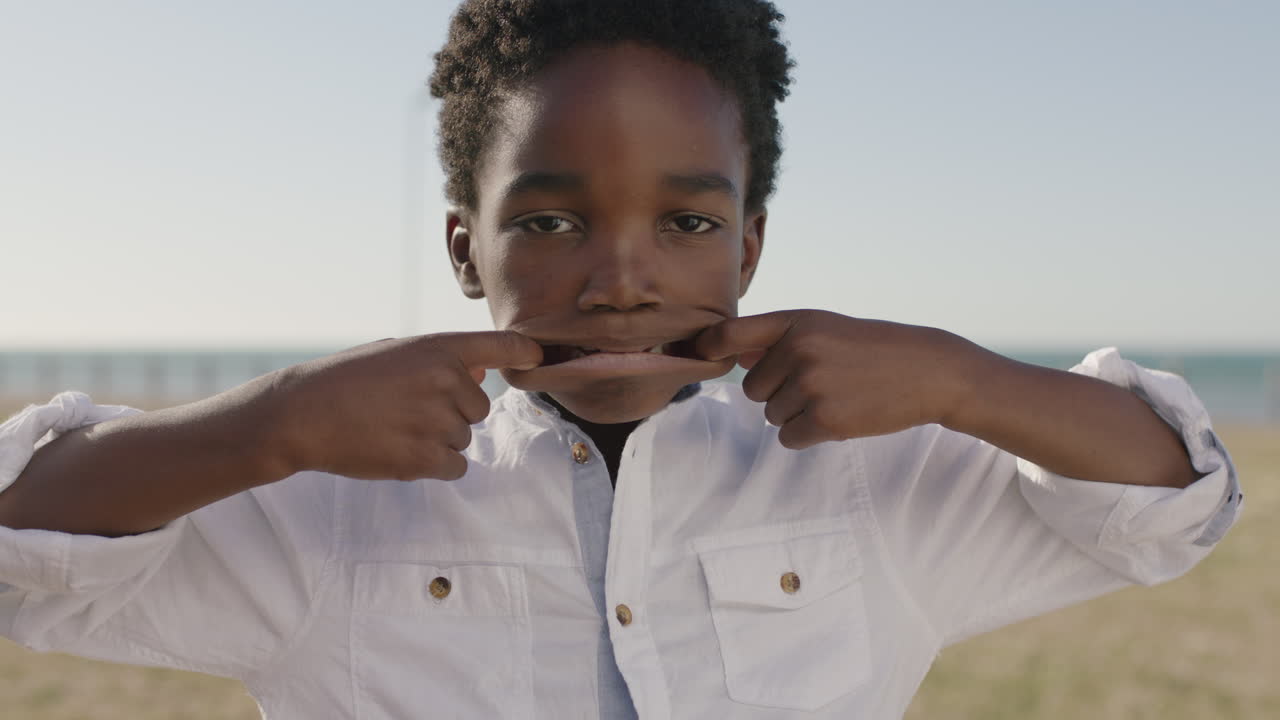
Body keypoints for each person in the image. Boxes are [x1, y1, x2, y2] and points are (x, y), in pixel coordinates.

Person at [0, 1, 1242, 718]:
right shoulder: (322, 497)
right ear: (462, 248)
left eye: (687, 223)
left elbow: (1167, 505)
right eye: (547, 221)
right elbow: (19, 551)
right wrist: (267, 427)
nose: (620, 278)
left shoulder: (868, 482)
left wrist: (964, 380)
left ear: (748, 250)